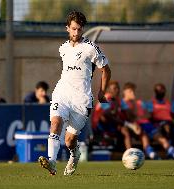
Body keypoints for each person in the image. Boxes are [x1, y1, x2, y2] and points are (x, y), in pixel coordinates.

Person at [39, 11, 111, 176]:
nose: (76, 33)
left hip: (82, 100)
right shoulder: (62, 48)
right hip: (62, 93)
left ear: (82, 29)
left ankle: (74, 154)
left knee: (69, 140)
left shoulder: (90, 48)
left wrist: (101, 92)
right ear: (67, 28)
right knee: (55, 123)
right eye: (73, 29)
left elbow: (106, 70)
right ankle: (52, 161)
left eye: (79, 29)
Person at [121, 82, 159, 160]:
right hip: (122, 125)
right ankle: (129, 154)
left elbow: (140, 116)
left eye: (134, 91)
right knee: (126, 131)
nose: (133, 93)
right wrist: (133, 124)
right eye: (130, 91)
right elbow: (127, 117)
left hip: (134, 125)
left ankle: (150, 153)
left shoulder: (136, 103)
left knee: (143, 133)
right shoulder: (122, 102)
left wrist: (135, 124)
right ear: (124, 92)